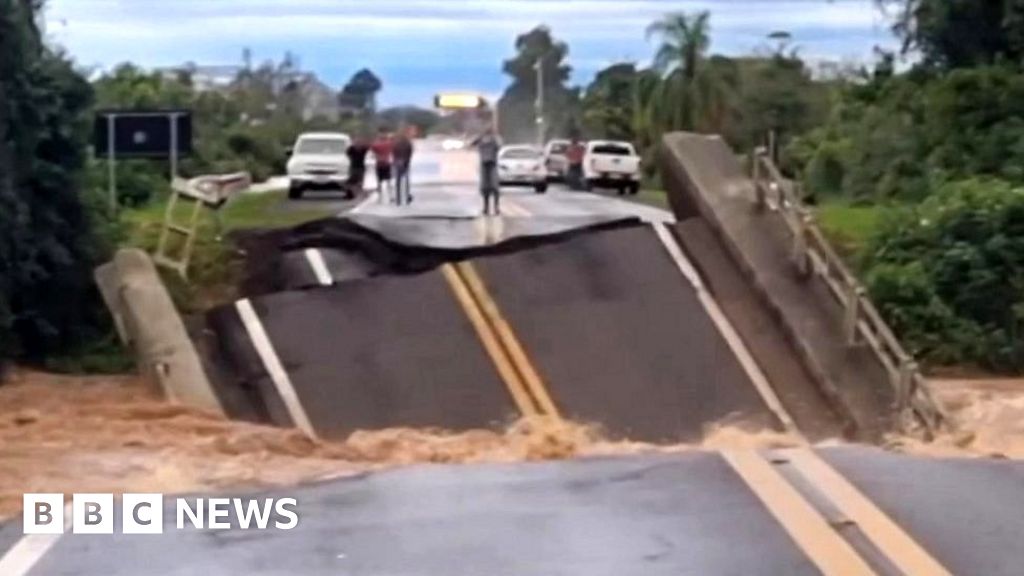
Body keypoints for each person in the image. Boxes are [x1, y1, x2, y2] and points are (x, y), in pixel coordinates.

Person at [473, 128, 502, 216]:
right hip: (483, 165)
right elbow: (472, 143)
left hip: (492, 165)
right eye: (486, 134)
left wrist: (495, 137)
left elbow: (499, 145)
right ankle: (486, 208)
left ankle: (496, 208)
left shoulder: (494, 141)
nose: (487, 137)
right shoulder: (480, 141)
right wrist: (479, 137)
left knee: (495, 187)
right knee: (485, 187)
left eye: (489, 134)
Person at [392, 127, 415, 205]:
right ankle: (407, 196)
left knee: (398, 181)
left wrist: (395, 161)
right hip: (405, 162)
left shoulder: (395, 143)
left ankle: (398, 198)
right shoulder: (408, 143)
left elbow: (394, 153)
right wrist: (407, 161)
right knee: (406, 180)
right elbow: (410, 153)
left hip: (398, 162)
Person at [370, 128, 394, 201]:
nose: (382, 135)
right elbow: (372, 154)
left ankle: (384, 196)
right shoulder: (387, 143)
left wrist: (377, 157)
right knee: (384, 181)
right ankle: (386, 195)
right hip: (383, 164)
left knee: (384, 181)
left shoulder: (376, 144)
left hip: (383, 164)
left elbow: (372, 154)